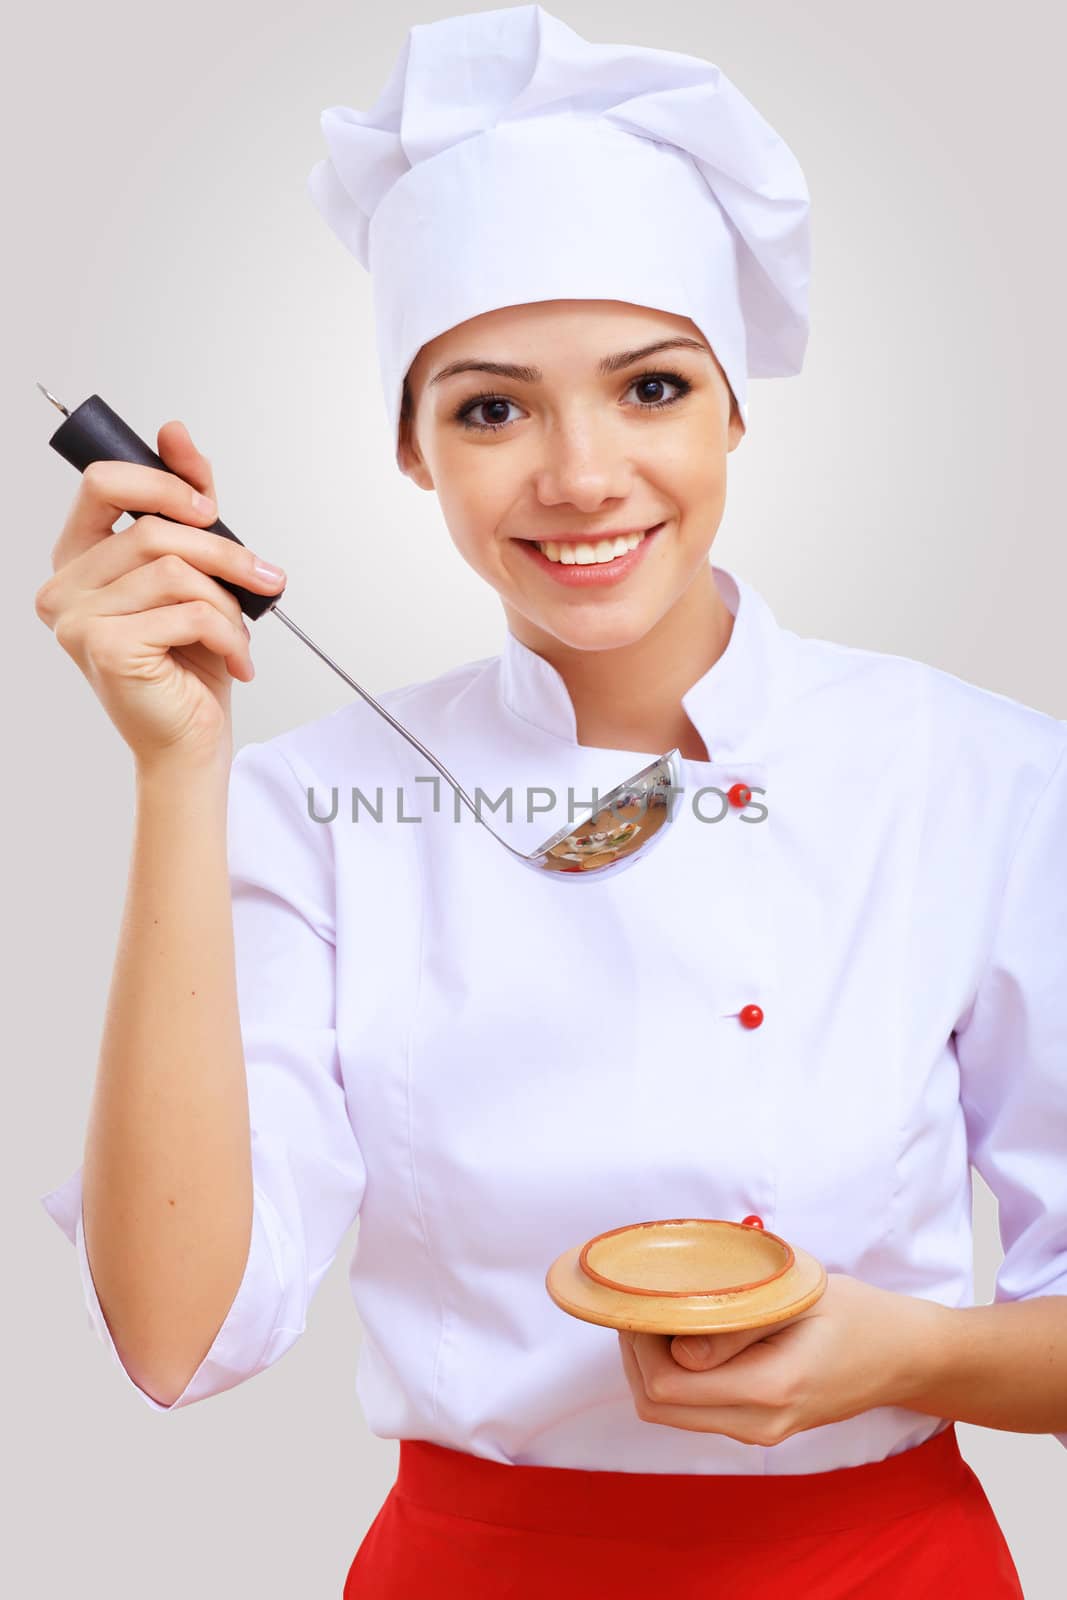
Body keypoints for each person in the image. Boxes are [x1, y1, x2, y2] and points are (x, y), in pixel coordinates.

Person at [36, 7, 1065, 1596]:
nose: (581, 477)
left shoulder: (978, 773)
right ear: (412, 450)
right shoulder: (318, 809)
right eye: (493, 407)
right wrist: (181, 770)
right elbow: (174, 1343)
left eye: (650, 388)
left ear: (737, 406)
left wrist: (907, 1353)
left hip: (880, 1563)